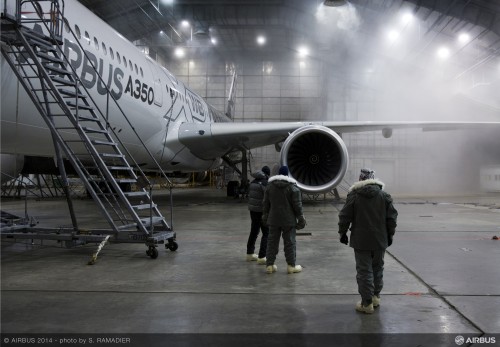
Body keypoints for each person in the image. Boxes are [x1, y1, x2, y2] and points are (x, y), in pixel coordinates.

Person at [338, 168, 398, 314]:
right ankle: (376, 296)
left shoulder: (354, 196)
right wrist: (390, 235)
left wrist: (343, 233)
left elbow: (345, 216)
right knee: (378, 268)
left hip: (361, 241)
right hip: (380, 239)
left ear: (361, 179)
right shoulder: (384, 196)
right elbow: (391, 219)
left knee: (364, 271)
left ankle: (366, 303)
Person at [262, 165, 306, 274]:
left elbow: (265, 204)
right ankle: (291, 266)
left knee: (272, 242)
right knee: (290, 243)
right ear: (287, 175)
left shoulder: (270, 187)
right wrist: (301, 219)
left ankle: (269, 265)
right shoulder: (292, 188)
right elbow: (297, 206)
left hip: (273, 219)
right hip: (288, 220)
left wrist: (265, 216)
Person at [246, 166, 271, 264]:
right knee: (266, 233)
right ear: (267, 174)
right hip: (262, 211)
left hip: (253, 211)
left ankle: (249, 253)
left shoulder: (253, 182)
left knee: (254, 231)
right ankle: (262, 256)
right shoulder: (264, 183)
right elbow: (268, 197)